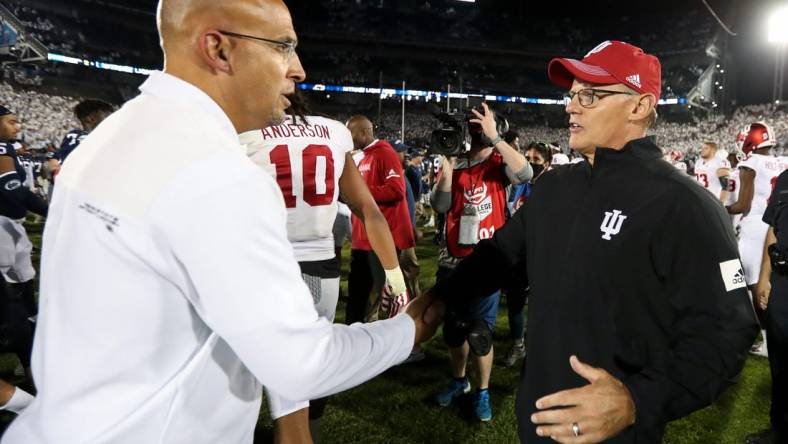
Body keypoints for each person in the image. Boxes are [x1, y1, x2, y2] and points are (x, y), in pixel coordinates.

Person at [0, 2, 441, 443]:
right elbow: (300, 363)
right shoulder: (216, 173)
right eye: (283, 47)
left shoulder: (108, 138)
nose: (299, 70)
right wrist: (408, 330)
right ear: (218, 48)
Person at [430, 40, 758, 443]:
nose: (570, 107)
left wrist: (639, 399)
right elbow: (499, 256)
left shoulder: (683, 205)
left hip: (614, 436)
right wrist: (434, 301)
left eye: (590, 95)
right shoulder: (555, 186)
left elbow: (727, 331)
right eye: (571, 95)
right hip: (536, 422)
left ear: (639, 106)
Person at [238, 93, 407, 443]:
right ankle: (308, 430)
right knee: (310, 369)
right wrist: (394, 278)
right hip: (319, 265)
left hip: (263, 263)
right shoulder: (332, 133)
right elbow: (369, 210)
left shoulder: (244, 132)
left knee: (246, 369)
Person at [431, 103, 531, 422]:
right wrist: (446, 169)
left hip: (486, 261)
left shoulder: (500, 162)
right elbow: (440, 204)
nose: (476, 138)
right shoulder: (457, 162)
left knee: (479, 333)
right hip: (452, 258)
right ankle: (459, 381)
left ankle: (483, 390)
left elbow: (526, 173)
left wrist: (497, 139)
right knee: (453, 332)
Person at [345, 116, 415, 324]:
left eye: (352, 133)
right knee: (357, 297)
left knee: (392, 300)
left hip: (382, 241)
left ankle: (409, 344)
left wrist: (361, 193)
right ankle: (352, 341)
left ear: (365, 132)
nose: (349, 138)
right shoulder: (361, 157)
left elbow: (396, 190)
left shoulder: (385, 153)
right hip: (362, 240)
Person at [727, 122, 786, 356]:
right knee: (772, 280)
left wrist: (720, 208)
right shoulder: (784, 161)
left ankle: (764, 337)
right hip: (778, 225)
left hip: (754, 228)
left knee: (746, 281)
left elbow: (743, 205)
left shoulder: (750, 163)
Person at [499, 141, 551, 368]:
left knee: (542, 307)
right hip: (516, 257)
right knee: (515, 304)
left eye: (537, 160)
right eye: (528, 158)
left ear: (547, 164)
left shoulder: (552, 189)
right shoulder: (519, 184)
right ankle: (518, 345)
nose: (530, 164)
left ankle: (540, 348)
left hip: (542, 258)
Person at [748, 168, 788, 444]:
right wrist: (764, 276)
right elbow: (773, 229)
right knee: (780, 359)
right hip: (783, 280)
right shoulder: (786, 178)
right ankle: (780, 429)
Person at [47, 99, 114, 176]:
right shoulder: (79, 137)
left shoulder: (102, 139)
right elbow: (61, 162)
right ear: (91, 119)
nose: (112, 120)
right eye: (108, 117)